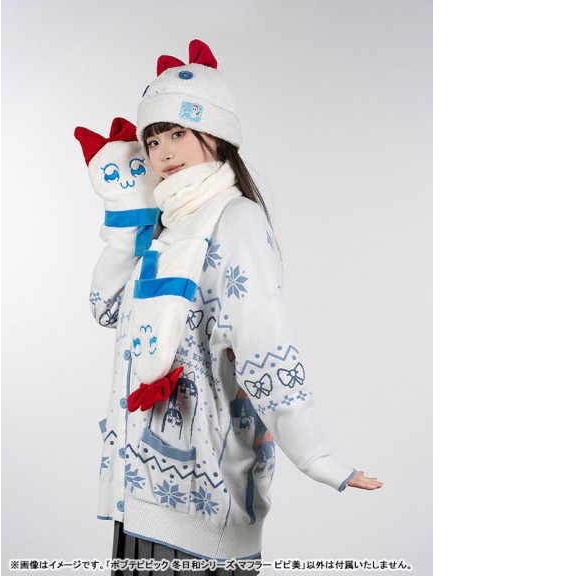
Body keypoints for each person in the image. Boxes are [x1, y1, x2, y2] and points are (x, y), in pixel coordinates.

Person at [80, 39, 382, 576]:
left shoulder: (234, 220)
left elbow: (263, 342)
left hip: (203, 494)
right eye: (152, 140)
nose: (163, 152)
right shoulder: (162, 228)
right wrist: (126, 221)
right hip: (140, 489)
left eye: (178, 133)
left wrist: (314, 455)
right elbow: (107, 309)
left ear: (215, 133)